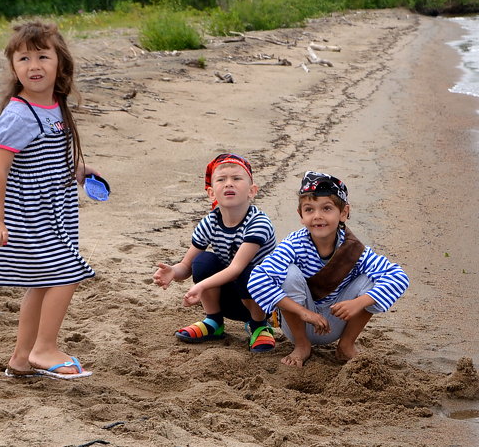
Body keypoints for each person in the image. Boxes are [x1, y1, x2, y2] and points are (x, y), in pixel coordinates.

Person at [0, 21, 98, 380]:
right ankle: (44, 348)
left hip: (51, 211)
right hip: (24, 214)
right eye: (24, 58)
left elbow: (47, 157)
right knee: (67, 273)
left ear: (60, 64)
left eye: (43, 56)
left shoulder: (55, 107)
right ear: (14, 68)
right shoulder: (19, 114)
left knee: (42, 282)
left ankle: (20, 360)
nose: (34, 65)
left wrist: (78, 170)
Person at [247, 171, 409, 367]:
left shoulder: (354, 249)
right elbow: (257, 279)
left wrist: (358, 303)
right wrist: (303, 312)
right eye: (309, 209)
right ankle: (302, 346)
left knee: (373, 278)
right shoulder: (293, 245)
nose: (317, 216)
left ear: (343, 213)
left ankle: (346, 346)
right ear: (301, 215)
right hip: (300, 322)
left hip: (337, 321)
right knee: (287, 274)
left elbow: (398, 277)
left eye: (326, 208)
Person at [153, 153, 278, 352]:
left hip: (261, 300)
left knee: (250, 271)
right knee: (203, 261)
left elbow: (237, 269)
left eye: (237, 178)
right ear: (211, 193)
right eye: (221, 179)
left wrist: (200, 286)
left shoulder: (258, 222)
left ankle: (259, 326)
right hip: (229, 295)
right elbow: (187, 266)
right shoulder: (210, 222)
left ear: (252, 191)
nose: (229, 184)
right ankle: (214, 322)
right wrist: (173, 272)